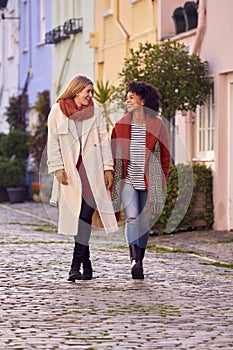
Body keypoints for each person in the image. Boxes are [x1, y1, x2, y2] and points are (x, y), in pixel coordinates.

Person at [47, 75, 118, 282]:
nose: (90, 95)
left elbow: (104, 140)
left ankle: (74, 266)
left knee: (84, 218)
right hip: (71, 173)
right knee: (79, 220)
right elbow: (52, 142)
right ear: (76, 91)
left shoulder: (95, 112)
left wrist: (107, 168)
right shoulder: (56, 111)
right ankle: (86, 266)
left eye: (92, 92)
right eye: (87, 91)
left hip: (92, 172)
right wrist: (58, 168)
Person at [111, 81, 170, 279]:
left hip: (148, 181)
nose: (127, 100)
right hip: (127, 180)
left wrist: (161, 182)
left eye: (131, 97)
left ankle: (140, 261)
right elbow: (113, 154)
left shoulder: (157, 125)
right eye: (127, 97)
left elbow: (164, 157)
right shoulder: (120, 125)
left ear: (142, 101)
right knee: (133, 218)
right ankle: (134, 260)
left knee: (144, 222)